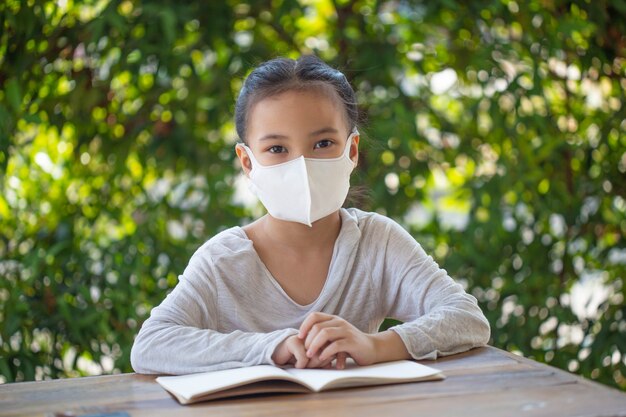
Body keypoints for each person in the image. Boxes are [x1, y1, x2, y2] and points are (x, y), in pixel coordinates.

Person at [130, 55, 490, 375]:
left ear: (352, 150)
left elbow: (467, 318)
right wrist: (272, 347)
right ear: (247, 162)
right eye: (276, 148)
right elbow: (152, 345)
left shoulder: (377, 242)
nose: (301, 165)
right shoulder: (222, 261)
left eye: (322, 144)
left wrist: (374, 346)